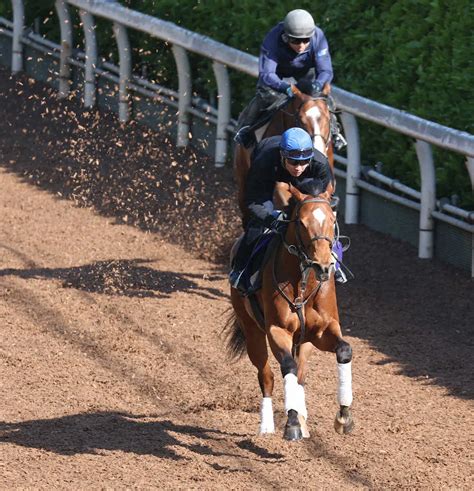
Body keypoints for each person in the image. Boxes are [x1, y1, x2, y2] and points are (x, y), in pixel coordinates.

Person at [230, 127, 347, 293]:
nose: (298, 168)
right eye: (293, 162)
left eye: (304, 161)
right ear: (282, 156)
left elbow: (326, 203)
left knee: (324, 223)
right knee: (257, 223)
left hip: (307, 182)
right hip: (270, 172)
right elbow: (254, 201)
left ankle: (336, 262)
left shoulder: (320, 164)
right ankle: (241, 270)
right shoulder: (265, 160)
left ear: (311, 158)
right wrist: (272, 220)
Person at [234, 9, 346, 150]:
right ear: (286, 37)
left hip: (305, 72)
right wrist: (286, 88)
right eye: (295, 40)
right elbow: (267, 74)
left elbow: (326, 71)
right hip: (277, 74)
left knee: (323, 98)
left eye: (306, 41)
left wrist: (317, 85)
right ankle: (245, 129)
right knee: (265, 97)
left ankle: (335, 131)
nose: (301, 46)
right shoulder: (272, 39)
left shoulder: (318, 37)